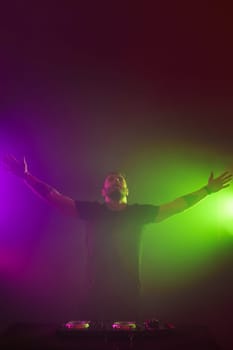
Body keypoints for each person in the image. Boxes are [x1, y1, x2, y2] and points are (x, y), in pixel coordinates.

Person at [2, 154, 233, 321]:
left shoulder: (139, 213)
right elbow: (55, 198)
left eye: (120, 179)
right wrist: (25, 177)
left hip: (129, 296)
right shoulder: (93, 211)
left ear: (127, 190)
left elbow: (175, 206)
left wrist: (207, 191)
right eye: (111, 179)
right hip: (95, 295)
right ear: (103, 190)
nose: (116, 181)